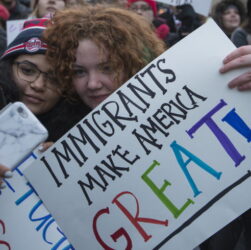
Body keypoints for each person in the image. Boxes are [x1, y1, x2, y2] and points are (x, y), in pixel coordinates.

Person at [43, 4, 166, 109]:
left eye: (107, 68)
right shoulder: (55, 131)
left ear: (135, 65)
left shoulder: (171, 116)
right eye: (79, 72)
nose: (93, 84)